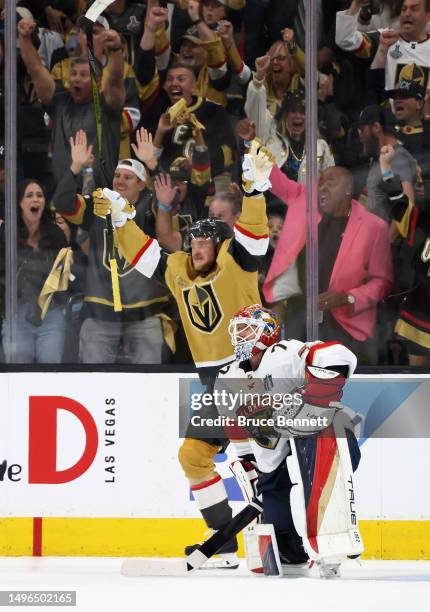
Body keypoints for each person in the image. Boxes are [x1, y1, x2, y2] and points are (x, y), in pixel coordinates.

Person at [92, 140, 273, 568]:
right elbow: (142, 253)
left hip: (248, 376)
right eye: (192, 242)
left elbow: (255, 238)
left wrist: (255, 192)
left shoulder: (237, 262)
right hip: (213, 381)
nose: (196, 248)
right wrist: (121, 217)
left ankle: (276, 538)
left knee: (254, 461)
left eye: (204, 243)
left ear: (219, 245)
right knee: (193, 456)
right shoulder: (177, 270)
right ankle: (224, 542)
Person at [217, 303, 363, 577]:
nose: (239, 336)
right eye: (236, 330)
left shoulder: (283, 354)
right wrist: (251, 471)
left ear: (269, 333)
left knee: (322, 456)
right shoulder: (228, 378)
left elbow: (338, 354)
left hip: (317, 433)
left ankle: (333, 535)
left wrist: (313, 398)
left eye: (247, 329)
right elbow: (235, 426)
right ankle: (292, 550)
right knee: (281, 540)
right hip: (270, 452)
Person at [53, 129, 172, 364]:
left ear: (142, 185)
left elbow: (166, 199)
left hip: (145, 312)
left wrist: (152, 164)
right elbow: (63, 203)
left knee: (150, 379)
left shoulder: (151, 207)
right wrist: (75, 168)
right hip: (101, 312)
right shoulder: (100, 204)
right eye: (117, 176)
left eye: (128, 177)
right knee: (93, 376)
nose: (119, 181)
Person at [263, 163, 393, 364]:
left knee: (339, 386)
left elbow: (381, 282)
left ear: (348, 189)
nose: (321, 187)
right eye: (320, 182)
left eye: (330, 183)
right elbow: (276, 181)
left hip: (345, 325)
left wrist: (347, 298)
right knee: (298, 383)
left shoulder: (373, 227)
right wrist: (250, 144)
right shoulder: (304, 202)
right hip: (300, 317)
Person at [0, 179, 69, 363]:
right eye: (29, 195)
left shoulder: (55, 234)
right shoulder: (6, 233)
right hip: (17, 314)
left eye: (40, 195)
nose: (35, 199)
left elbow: (66, 275)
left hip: (50, 314)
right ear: (19, 203)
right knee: (18, 375)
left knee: (50, 371)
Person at [379, 144, 430, 365]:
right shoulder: (424, 223)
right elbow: (399, 205)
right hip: (421, 314)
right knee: (416, 383)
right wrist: (385, 166)